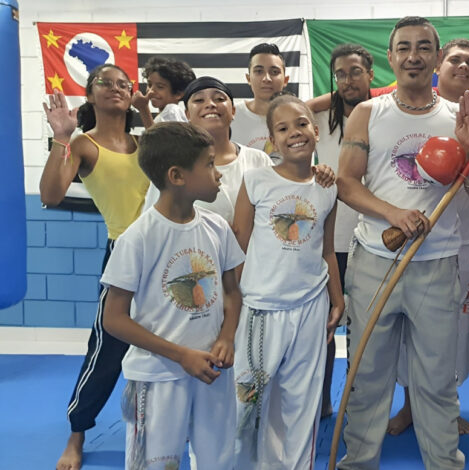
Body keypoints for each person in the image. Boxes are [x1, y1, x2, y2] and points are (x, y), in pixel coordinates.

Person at [336, 16, 469, 469]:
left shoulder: (458, 117)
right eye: (403, 47)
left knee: (436, 381)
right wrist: (392, 212)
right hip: (375, 260)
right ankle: (359, 461)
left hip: (438, 262)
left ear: (438, 58)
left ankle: (444, 463)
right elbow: (346, 183)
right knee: (366, 375)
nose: (413, 56)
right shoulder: (369, 113)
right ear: (390, 57)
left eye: (424, 47)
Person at [101, 122, 244, 469]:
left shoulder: (217, 227)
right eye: (209, 164)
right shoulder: (138, 238)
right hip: (158, 375)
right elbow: (113, 319)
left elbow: (232, 292)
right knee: (157, 463)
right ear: (177, 176)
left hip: (212, 370)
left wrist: (227, 337)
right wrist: (181, 355)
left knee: (219, 461)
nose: (219, 174)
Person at [41, 64, 150, 470]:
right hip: (123, 253)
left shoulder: (145, 139)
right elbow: (51, 195)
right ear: (89, 94)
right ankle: (77, 432)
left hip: (166, 252)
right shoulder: (85, 144)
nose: (117, 88)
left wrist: (148, 112)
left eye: (124, 84)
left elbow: (176, 156)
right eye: (106, 83)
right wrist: (61, 137)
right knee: (106, 350)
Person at [232, 94, 344, 469]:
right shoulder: (256, 180)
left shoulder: (328, 186)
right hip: (262, 308)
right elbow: (238, 246)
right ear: (272, 141)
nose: (294, 133)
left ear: (315, 130)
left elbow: (327, 251)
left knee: (302, 400)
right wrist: (232, 307)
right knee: (248, 398)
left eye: (301, 124)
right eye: (282, 128)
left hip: (311, 306)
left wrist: (337, 298)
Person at [387, 37, 469, 439]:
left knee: (453, 337)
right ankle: (411, 407)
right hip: (408, 238)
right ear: (437, 64)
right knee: (408, 335)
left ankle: (445, 410)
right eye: (455, 60)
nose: (463, 67)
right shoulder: (408, 106)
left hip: (461, 243)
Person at [314, 42, 374, 418]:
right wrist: (334, 98)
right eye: (340, 74)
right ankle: (320, 402)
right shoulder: (322, 120)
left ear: (371, 74)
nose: (348, 80)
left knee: (365, 331)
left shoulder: (383, 114)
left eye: (356, 71)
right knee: (324, 328)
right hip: (329, 240)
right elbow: (291, 111)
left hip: (371, 239)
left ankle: (361, 406)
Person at [142, 77, 272, 223]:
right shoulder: (173, 166)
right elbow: (153, 221)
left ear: (233, 111)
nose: (210, 104)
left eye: (219, 98)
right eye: (199, 100)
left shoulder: (258, 160)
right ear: (187, 114)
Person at [231, 43, 290, 157]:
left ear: (285, 80)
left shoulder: (297, 118)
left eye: (274, 72)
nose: (266, 79)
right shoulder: (230, 116)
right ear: (248, 78)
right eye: (259, 71)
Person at [131, 56, 196, 129]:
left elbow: (158, 139)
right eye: (149, 84)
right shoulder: (164, 114)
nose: (151, 91)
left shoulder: (172, 111)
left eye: (160, 87)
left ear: (178, 94)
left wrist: (143, 109)